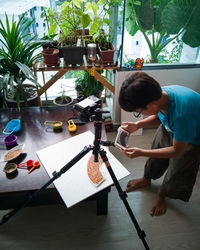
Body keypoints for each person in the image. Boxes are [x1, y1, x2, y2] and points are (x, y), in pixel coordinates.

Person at [118, 71, 200, 216]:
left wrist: (141, 152)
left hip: (192, 137)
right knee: (157, 151)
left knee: (179, 169)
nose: (139, 114)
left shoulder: (182, 113)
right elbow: (158, 116)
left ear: (150, 104)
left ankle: (163, 194)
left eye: (138, 112)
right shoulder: (159, 94)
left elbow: (177, 150)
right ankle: (146, 178)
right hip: (172, 125)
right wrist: (137, 125)